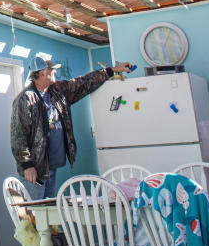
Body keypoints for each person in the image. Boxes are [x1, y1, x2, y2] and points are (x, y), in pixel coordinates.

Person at [10, 56, 134, 199]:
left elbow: (83, 83)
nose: (55, 73)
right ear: (43, 73)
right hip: (35, 169)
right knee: (36, 212)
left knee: (49, 210)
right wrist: (27, 165)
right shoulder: (25, 98)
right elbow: (17, 135)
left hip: (50, 166)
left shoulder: (57, 91)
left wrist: (112, 70)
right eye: (53, 70)